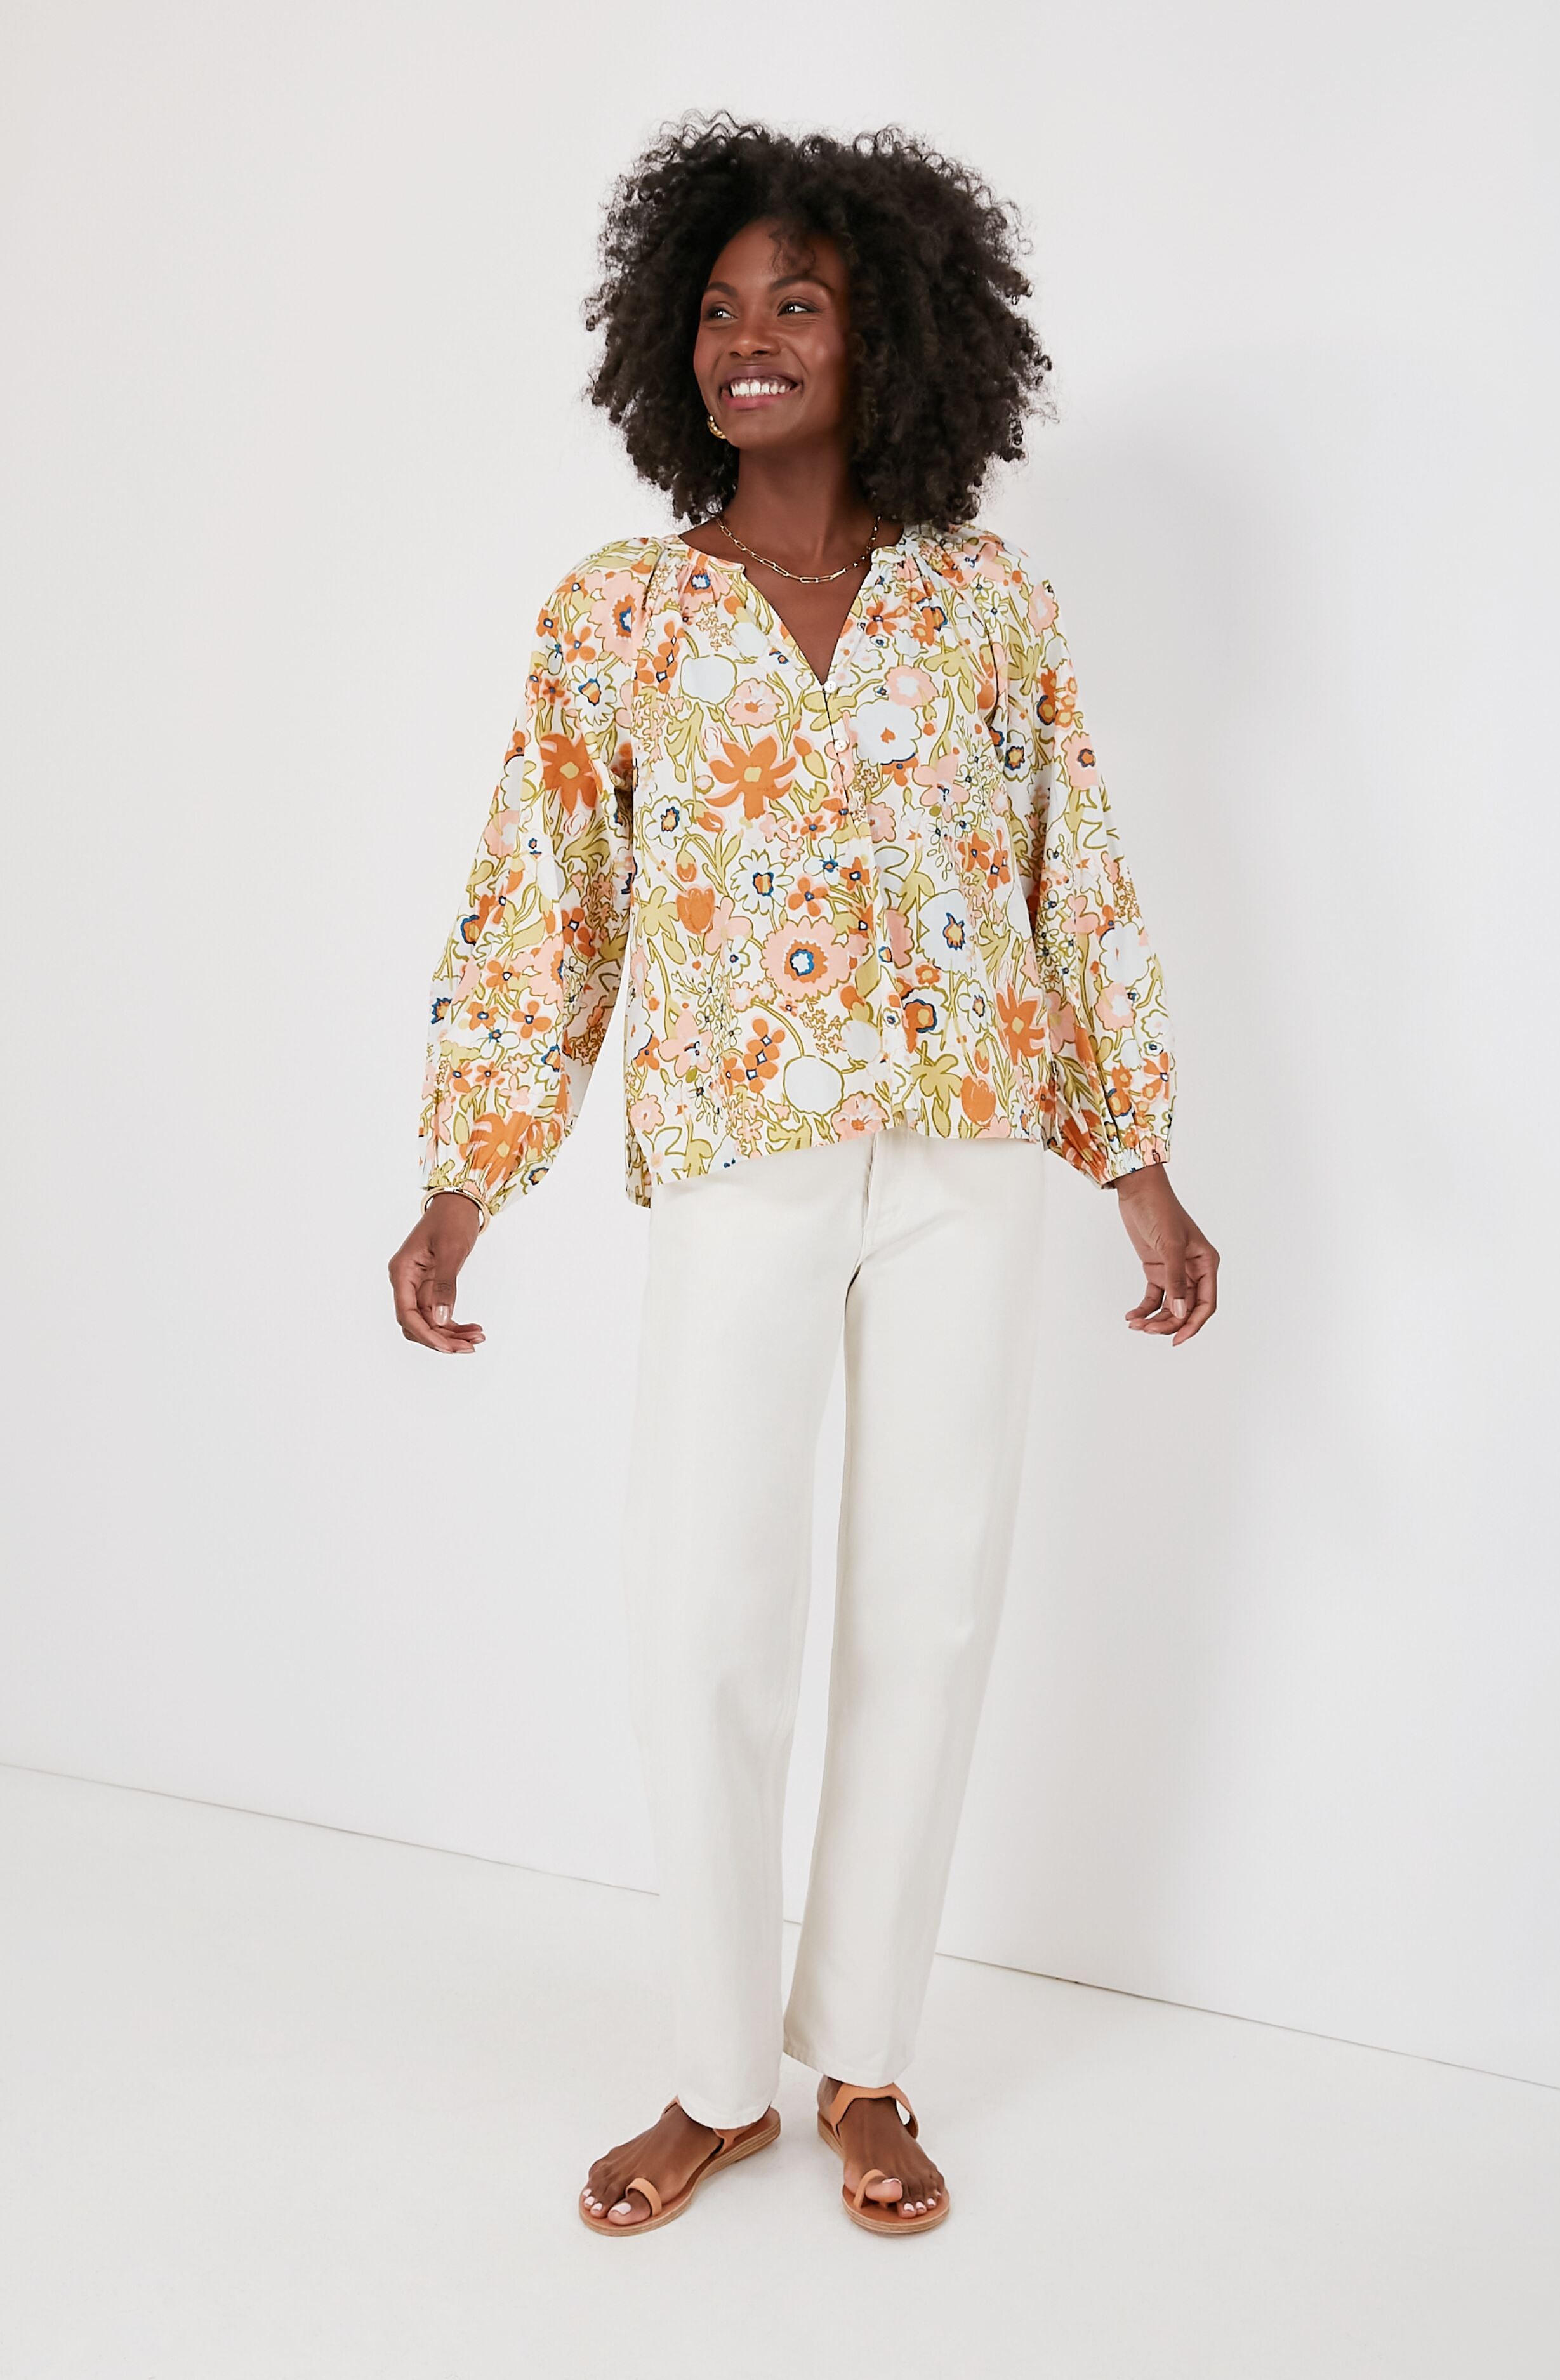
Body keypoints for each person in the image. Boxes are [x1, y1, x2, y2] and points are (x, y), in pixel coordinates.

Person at [388, 116, 1219, 2238]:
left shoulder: (986, 608)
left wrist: (1135, 1164)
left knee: (926, 1606)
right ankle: (711, 2075)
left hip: (967, 1150)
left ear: (889, 338)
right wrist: (469, 1175)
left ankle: (862, 2061)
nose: (746, 338)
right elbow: (546, 904)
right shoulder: (618, 616)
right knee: (706, 1606)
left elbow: (1072, 888)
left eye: (798, 303)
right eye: (716, 307)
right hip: (743, 1155)